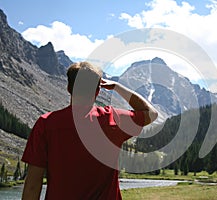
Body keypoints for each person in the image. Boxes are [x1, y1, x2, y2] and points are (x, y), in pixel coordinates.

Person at [21, 61, 158, 200]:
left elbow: (33, 184)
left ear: (69, 88)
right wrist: (117, 87)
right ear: (98, 91)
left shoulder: (46, 124)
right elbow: (152, 114)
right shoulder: (112, 119)